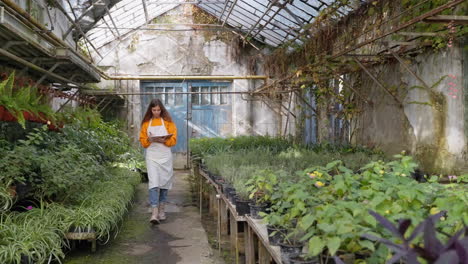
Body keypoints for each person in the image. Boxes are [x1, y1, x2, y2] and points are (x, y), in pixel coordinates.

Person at [139, 98, 177, 224]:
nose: (156, 112)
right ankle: (154, 212)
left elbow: (173, 140)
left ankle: (162, 210)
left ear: (162, 110)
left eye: (158, 110)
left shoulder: (168, 123)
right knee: (154, 183)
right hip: (152, 156)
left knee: (164, 183)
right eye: (154, 110)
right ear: (150, 110)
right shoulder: (145, 124)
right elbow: (143, 143)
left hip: (165, 155)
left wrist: (164, 140)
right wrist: (149, 140)